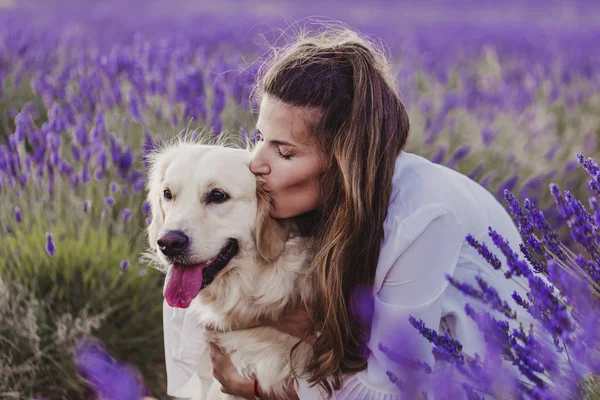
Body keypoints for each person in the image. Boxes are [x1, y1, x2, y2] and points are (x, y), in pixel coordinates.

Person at [163, 26, 531, 399]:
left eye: (284, 152)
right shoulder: (324, 202)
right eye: (260, 138)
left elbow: (398, 391)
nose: (256, 162)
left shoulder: (422, 220)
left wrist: (264, 390)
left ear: (343, 161)